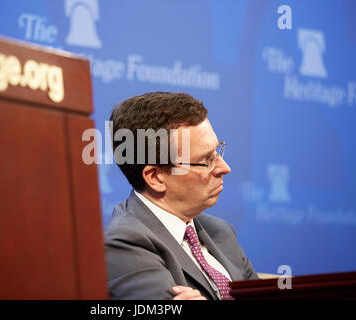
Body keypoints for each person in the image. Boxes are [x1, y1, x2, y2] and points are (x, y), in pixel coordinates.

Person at [105, 92, 258, 300]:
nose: (225, 168)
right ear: (156, 177)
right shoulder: (123, 244)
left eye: (217, 152)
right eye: (207, 160)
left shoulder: (221, 232)